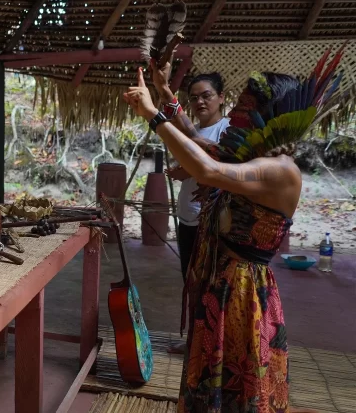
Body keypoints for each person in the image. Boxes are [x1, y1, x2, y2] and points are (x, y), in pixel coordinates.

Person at [124, 43, 346, 412]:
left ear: (271, 115)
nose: (239, 115)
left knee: (238, 388)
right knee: (212, 385)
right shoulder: (255, 159)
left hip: (243, 294)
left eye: (246, 108)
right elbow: (197, 141)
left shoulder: (280, 170)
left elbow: (208, 170)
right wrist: (165, 96)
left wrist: (152, 114)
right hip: (222, 285)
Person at [162, 73, 229, 355]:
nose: (200, 101)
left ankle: (214, 344)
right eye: (195, 98)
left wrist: (185, 169)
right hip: (188, 218)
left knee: (212, 283)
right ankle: (194, 341)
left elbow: (215, 161)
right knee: (191, 281)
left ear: (222, 98)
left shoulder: (227, 130)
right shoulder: (193, 131)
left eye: (207, 95)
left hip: (213, 221)